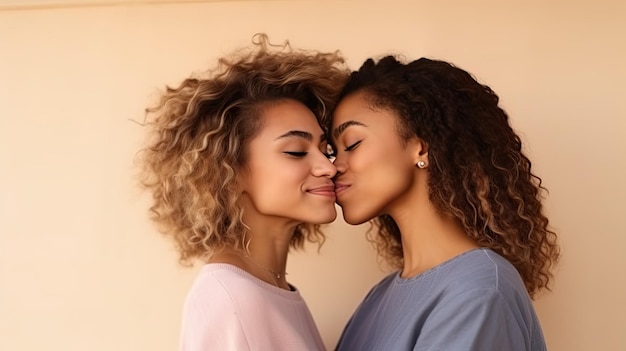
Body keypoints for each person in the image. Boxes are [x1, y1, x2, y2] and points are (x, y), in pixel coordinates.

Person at [328, 56, 560, 350]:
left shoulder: (479, 292)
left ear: (421, 147)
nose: (335, 166)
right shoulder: (381, 297)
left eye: (351, 144)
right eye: (334, 151)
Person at [138, 34, 348, 351]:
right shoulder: (232, 298)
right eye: (295, 151)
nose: (328, 167)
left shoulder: (270, 290)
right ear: (229, 173)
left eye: (325, 148)